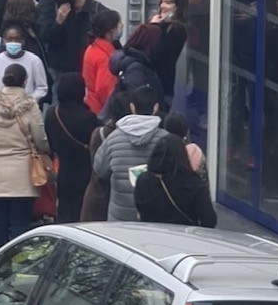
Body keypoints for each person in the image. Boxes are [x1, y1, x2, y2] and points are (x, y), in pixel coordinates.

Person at [0, 61, 49, 256]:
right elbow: (40, 137)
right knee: (20, 224)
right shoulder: (30, 106)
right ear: (25, 81)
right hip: (22, 172)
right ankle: (17, 266)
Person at [92, 85, 166, 222]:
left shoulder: (113, 139)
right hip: (155, 218)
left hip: (119, 219)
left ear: (132, 107)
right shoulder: (166, 140)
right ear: (155, 108)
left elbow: (100, 170)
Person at [123, 0, 190, 107]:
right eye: (162, 2)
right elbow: (132, 44)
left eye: (168, 2)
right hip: (144, 81)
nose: (162, 6)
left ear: (178, 6)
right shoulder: (158, 24)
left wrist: (153, 27)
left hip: (161, 85)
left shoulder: (177, 29)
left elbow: (158, 53)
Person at [45, 73, 98, 224]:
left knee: (64, 212)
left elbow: (50, 144)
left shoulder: (52, 114)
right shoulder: (88, 118)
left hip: (63, 172)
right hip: (85, 174)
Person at [134, 133, 218, 227]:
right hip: (184, 237)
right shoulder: (194, 183)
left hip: (150, 236)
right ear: (182, 155)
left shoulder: (143, 180)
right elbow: (209, 220)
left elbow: (139, 211)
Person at [39, 0, 110, 78]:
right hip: (61, 70)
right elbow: (46, 36)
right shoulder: (56, 8)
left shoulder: (96, 11)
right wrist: (58, 22)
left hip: (88, 68)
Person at [81, 93, 129, 222]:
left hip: (98, 197)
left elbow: (97, 168)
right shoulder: (131, 138)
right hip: (123, 202)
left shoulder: (99, 133)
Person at [0, 21, 48, 102]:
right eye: (10, 39)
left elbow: (42, 87)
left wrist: (29, 100)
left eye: (17, 39)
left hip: (27, 106)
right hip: (3, 105)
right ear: (4, 40)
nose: (13, 42)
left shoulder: (34, 60)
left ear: (22, 41)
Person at [82, 6, 123, 117]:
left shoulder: (92, 48)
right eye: (119, 23)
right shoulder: (106, 57)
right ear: (110, 29)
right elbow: (105, 89)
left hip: (91, 104)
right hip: (102, 110)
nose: (121, 26)